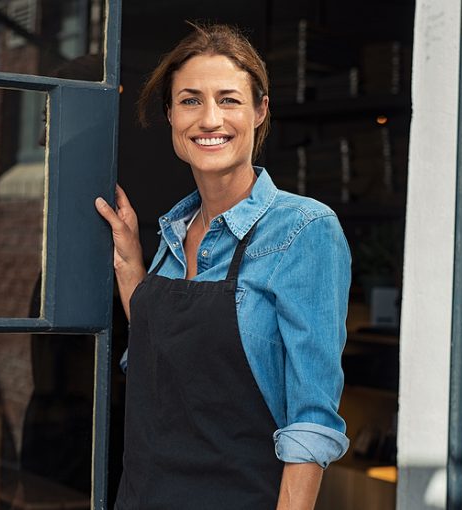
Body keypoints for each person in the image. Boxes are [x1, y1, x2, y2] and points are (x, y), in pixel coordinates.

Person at [94, 23, 351, 509]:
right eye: (190, 100)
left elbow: (313, 419)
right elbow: (168, 354)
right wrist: (131, 263)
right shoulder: (174, 230)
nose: (210, 119)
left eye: (229, 100)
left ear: (259, 111)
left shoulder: (304, 230)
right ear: (170, 115)